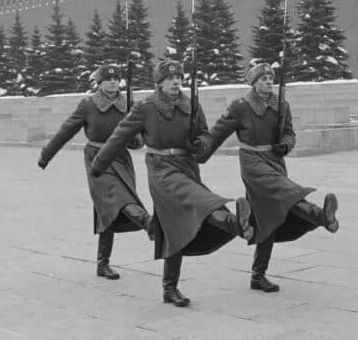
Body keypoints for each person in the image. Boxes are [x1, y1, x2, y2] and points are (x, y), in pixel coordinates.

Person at [90, 60, 254, 307]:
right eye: (171, 78)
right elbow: (119, 136)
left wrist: (201, 144)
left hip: (187, 166)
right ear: (159, 82)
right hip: (161, 169)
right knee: (201, 200)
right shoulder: (146, 108)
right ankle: (237, 224)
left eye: (179, 77)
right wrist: (98, 166)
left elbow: (205, 137)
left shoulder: (191, 105)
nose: (177, 82)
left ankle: (169, 289)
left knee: (173, 227)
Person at [202, 62, 339, 294]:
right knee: (287, 192)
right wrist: (198, 152)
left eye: (270, 77)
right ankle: (322, 217)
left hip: (275, 161)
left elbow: (290, 134)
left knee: (267, 217)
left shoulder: (281, 105)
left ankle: (258, 275)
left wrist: (285, 145)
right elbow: (216, 135)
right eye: (263, 78)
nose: (268, 81)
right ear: (253, 82)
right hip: (253, 164)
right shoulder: (240, 107)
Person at [38, 64, 153, 280]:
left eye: (115, 79)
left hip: (120, 159)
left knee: (107, 209)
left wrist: (135, 140)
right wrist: (46, 155)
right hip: (97, 160)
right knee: (115, 195)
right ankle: (148, 223)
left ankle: (103, 264)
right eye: (107, 79)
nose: (112, 82)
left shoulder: (127, 104)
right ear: (99, 83)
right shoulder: (88, 105)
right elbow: (66, 131)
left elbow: (139, 137)